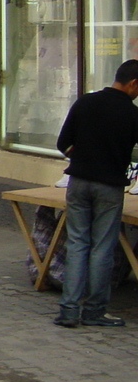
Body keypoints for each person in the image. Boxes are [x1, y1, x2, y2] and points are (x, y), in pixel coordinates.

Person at [53, 59, 138, 329]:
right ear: (133, 84)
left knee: (77, 244)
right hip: (109, 186)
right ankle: (94, 311)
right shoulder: (132, 114)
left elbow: (62, 143)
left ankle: (68, 310)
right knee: (102, 249)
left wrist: (81, 157)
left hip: (77, 182)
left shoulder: (85, 102)